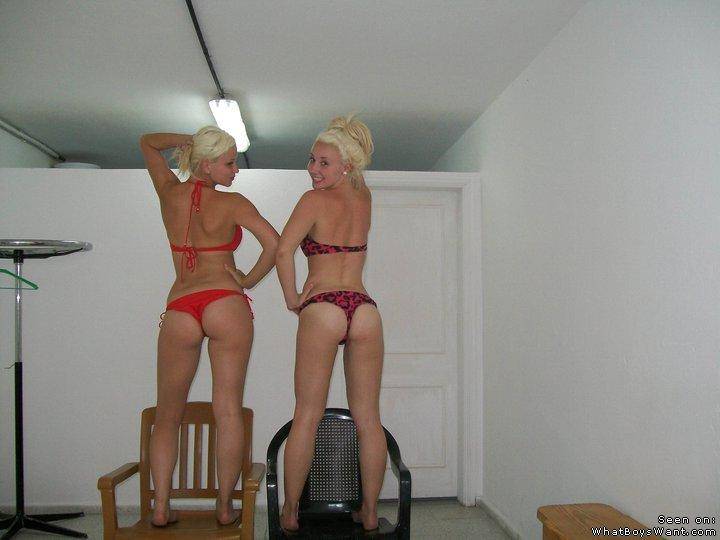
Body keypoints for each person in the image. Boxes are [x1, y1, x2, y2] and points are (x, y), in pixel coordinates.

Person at [139, 127, 278, 526]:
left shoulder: (168, 192)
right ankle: (225, 506)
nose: (236, 170)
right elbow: (275, 243)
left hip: (181, 306)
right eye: (229, 162)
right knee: (228, 409)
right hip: (225, 303)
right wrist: (247, 280)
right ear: (205, 164)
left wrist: (188, 138)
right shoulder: (233, 203)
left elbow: (147, 142)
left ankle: (161, 508)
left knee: (168, 414)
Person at [275, 115, 386, 532]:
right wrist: (344, 135)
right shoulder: (364, 196)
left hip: (323, 306)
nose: (314, 169)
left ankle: (290, 512)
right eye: (312, 160)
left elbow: (283, 251)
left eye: (324, 162)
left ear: (346, 165)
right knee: (368, 418)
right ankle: (369, 512)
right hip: (364, 309)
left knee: (307, 413)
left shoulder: (312, 200)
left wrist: (292, 298)